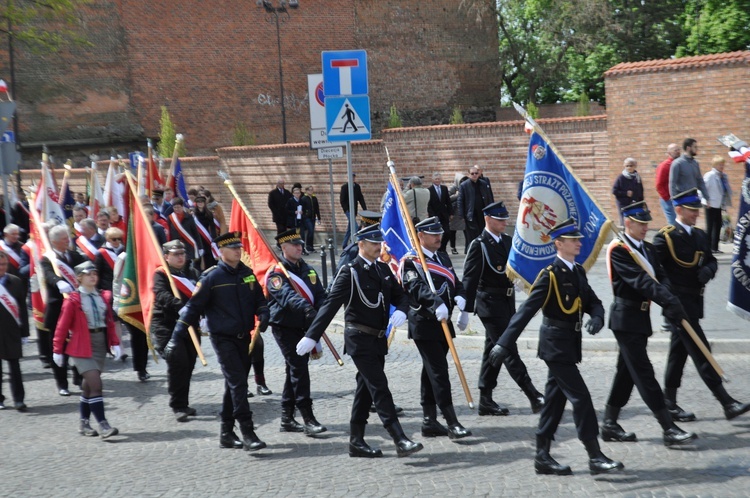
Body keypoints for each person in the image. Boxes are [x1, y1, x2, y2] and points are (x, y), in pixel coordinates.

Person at [489, 218, 623, 476]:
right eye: (573, 240)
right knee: (581, 398)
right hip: (555, 348)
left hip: (570, 346)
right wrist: (503, 344)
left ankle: (542, 456)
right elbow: (526, 312)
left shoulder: (578, 272)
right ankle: (595, 456)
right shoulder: (550, 275)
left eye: (578, 239)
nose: (579, 243)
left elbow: (594, 301)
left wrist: (596, 317)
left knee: (553, 403)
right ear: (558, 244)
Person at [296, 224, 423, 458]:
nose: (378, 247)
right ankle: (399, 438)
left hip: (377, 339)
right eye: (374, 243)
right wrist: (311, 336)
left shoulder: (383, 269)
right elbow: (330, 306)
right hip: (359, 338)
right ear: (361, 245)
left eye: (379, 243)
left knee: (364, 391)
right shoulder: (350, 272)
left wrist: (403, 311)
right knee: (379, 387)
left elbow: (401, 295)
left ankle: (356, 441)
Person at [601, 201, 697, 446]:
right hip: (625, 319)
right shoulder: (620, 250)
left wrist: (669, 297)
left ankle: (609, 423)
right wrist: (668, 300)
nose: (645, 228)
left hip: (641, 319)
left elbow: (660, 275)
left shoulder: (648, 249)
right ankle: (668, 427)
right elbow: (641, 281)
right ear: (628, 223)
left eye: (646, 223)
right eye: (640, 224)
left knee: (626, 372)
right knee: (644, 373)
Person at [164, 231, 270, 451]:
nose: (238, 251)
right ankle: (248, 432)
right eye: (233, 248)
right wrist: (175, 338)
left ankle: (226, 432)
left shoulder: (247, 273)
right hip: (223, 339)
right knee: (239, 384)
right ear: (221, 252)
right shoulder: (211, 277)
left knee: (233, 384)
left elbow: (259, 299)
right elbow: (192, 309)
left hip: (245, 338)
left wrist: (264, 312)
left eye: (239, 247)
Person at [653, 188, 750, 422]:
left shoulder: (699, 235)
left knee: (678, 353)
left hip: (694, 302)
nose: (696, 214)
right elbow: (656, 270)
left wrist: (709, 270)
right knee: (701, 350)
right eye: (692, 210)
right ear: (678, 210)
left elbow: (711, 260)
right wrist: (668, 298)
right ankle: (726, 402)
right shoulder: (665, 237)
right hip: (677, 305)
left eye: (698, 210)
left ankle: (669, 402)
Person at [462, 201, 544, 416]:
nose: (504, 222)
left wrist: (520, 281)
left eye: (505, 218)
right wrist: (465, 310)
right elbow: (470, 279)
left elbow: (516, 266)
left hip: (507, 303)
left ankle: (485, 399)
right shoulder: (479, 244)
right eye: (500, 219)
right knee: (506, 348)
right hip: (489, 304)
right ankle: (532, 394)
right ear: (488, 219)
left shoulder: (508, 241)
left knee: (493, 349)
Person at [400, 217, 472, 440]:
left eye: (439, 233)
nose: (438, 237)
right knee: (439, 372)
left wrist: (461, 298)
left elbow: (455, 282)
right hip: (425, 323)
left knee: (430, 371)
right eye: (433, 234)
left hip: (444, 323)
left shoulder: (442, 256)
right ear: (420, 236)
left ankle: (429, 421)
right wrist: (436, 304)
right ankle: (452, 422)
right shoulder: (412, 261)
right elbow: (416, 287)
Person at [267, 229, 327, 435]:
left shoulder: (308, 270)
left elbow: (320, 294)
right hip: (285, 326)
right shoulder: (276, 274)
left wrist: (321, 310)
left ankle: (286, 418)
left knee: (293, 370)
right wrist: (307, 310)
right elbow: (287, 297)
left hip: (305, 325)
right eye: (294, 245)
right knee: (299, 369)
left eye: (300, 244)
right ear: (283, 248)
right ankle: (307, 417)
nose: (300, 247)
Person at [53, 261, 122, 439]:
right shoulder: (73, 301)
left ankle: (83, 423)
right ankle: (103, 425)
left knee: (88, 387)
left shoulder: (104, 296)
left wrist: (115, 343)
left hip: (99, 343)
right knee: (96, 385)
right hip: (81, 345)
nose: (93, 276)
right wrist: (57, 349)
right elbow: (62, 326)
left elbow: (109, 323)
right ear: (79, 278)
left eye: (94, 273)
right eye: (88, 274)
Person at [151, 240, 202, 422]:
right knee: (177, 363)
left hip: (190, 326)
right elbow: (162, 294)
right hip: (168, 325)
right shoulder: (161, 274)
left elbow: (202, 294)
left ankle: (184, 402)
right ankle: (177, 405)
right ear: (166, 257)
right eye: (176, 255)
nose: (181, 257)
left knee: (188, 364)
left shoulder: (193, 272)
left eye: (182, 254)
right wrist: (179, 306)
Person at [41, 225, 87, 393]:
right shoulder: (48, 259)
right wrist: (58, 281)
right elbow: (48, 275)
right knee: (58, 346)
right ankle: (62, 383)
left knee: (79, 344)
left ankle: (79, 377)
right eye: (63, 239)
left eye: (68, 238)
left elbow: (87, 270)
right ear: (53, 242)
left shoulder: (75, 256)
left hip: (76, 308)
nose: (68, 241)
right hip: (57, 309)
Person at [0, 250, 29, 411]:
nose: (1, 268)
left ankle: (19, 399)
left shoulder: (15, 282)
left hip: (11, 330)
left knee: (15, 367)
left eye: (4, 264)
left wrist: (24, 332)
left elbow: (22, 308)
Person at [457, 165, 494, 245]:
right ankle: (473, 250)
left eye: (476, 173)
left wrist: (491, 211)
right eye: (472, 173)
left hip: (483, 213)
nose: (474, 175)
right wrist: (461, 215)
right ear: (469, 174)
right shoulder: (464, 185)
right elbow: (460, 201)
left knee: (483, 232)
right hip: (471, 214)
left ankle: (483, 249)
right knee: (472, 235)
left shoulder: (484, 184)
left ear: (479, 174)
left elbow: (489, 198)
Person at [703, 156, 732, 253]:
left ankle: (715, 247)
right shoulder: (710, 175)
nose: (722, 166)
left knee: (718, 225)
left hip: (719, 204)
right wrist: (705, 200)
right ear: (715, 165)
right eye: (720, 164)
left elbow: (724, 191)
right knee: (710, 226)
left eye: (723, 164)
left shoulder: (723, 176)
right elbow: (703, 189)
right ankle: (707, 248)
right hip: (710, 204)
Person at [611, 158, 644, 226]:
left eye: (631, 165)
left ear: (635, 166)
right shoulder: (621, 177)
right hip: (624, 204)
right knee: (625, 222)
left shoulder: (637, 177)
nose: (629, 168)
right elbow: (614, 191)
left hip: (635, 203)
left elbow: (641, 190)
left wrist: (642, 202)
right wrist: (625, 193)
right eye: (627, 166)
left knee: (634, 222)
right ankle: (623, 235)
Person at [168, 198, 201, 263]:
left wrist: (200, 247)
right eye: (175, 207)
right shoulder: (170, 218)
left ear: (182, 206)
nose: (177, 209)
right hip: (176, 245)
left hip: (188, 245)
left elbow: (195, 232)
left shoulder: (189, 217)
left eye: (178, 207)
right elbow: (170, 233)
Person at [339, 173, 367, 249]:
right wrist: (346, 209)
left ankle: (344, 244)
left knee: (350, 228)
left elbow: (360, 198)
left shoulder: (357, 186)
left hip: (354, 210)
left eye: (354, 178)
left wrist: (365, 209)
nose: (353, 179)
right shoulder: (344, 187)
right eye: (351, 178)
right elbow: (342, 200)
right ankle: (355, 243)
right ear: (347, 178)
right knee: (356, 227)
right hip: (348, 210)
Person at [655, 143, 680, 225]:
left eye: (678, 150)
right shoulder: (665, 165)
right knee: (673, 222)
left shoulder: (679, 164)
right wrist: (667, 198)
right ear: (669, 153)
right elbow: (659, 184)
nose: (678, 152)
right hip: (668, 199)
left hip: (678, 197)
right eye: (675, 150)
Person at [427, 173, 453, 252]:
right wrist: (432, 215)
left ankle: (442, 248)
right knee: (436, 234)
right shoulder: (429, 190)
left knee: (447, 233)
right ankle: (435, 249)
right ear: (432, 180)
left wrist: (451, 213)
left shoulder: (444, 188)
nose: (437, 180)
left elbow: (448, 202)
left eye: (439, 179)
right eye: (436, 179)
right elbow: (429, 204)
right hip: (434, 215)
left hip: (444, 215)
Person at [193, 194, 219, 269]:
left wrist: (214, 238)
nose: (200, 203)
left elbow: (212, 227)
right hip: (198, 238)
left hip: (207, 238)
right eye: (198, 202)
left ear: (204, 203)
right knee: (199, 257)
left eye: (201, 202)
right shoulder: (194, 215)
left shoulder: (209, 214)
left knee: (209, 256)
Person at [285, 187, 313, 255]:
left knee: (302, 236)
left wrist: (302, 212)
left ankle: (302, 249)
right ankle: (294, 250)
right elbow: (287, 210)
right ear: (293, 194)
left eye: (298, 193)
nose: (297, 194)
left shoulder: (301, 201)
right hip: (293, 221)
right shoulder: (290, 201)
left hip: (300, 221)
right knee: (295, 236)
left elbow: (305, 209)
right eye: (296, 193)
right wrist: (294, 212)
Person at [448, 173, 467, 255]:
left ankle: (468, 247)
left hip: (463, 211)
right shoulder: (452, 188)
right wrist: (456, 195)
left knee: (466, 230)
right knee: (452, 231)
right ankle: (453, 247)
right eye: (461, 180)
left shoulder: (466, 187)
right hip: (454, 213)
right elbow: (447, 199)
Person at [304, 186, 321, 253]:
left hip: (313, 217)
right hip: (307, 217)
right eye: (310, 190)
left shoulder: (314, 198)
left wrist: (319, 217)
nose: (311, 191)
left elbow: (317, 208)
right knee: (310, 231)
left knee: (312, 232)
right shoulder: (304, 198)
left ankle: (311, 246)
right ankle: (308, 246)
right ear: (306, 191)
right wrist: (305, 215)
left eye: (312, 190)